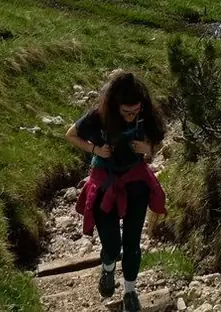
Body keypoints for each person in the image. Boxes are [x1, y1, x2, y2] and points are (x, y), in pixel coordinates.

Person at [67, 69, 167, 311]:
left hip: (135, 181)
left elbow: (157, 139)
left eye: (136, 111)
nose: (132, 117)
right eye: (126, 112)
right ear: (115, 106)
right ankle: (108, 267)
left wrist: (148, 147)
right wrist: (95, 150)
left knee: (133, 241)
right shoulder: (99, 116)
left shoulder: (147, 114)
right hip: (105, 181)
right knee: (112, 243)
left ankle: (130, 292)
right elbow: (70, 134)